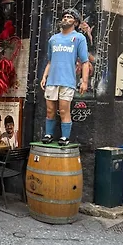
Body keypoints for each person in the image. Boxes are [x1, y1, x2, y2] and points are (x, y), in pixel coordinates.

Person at [40, 8, 89, 146]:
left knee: (63, 110)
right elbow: (50, 61)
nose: (66, 18)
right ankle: (48, 134)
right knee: (50, 109)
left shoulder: (79, 38)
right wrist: (44, 77)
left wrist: (84, 81)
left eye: (69, 17)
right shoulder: (53, 39)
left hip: (67, 81)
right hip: (52, 80)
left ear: (76, 22)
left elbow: (85, 62)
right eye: (64, 16)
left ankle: (65, 137)